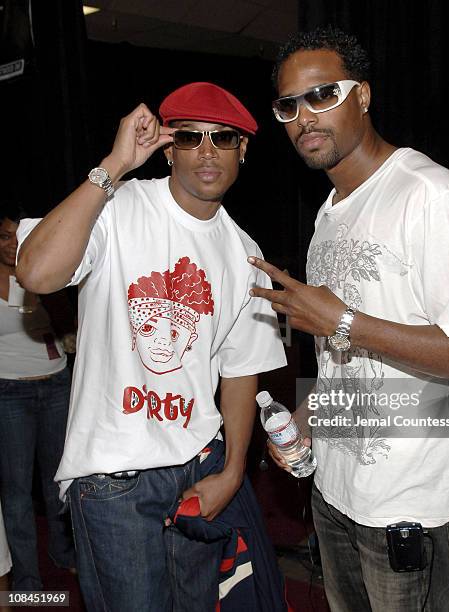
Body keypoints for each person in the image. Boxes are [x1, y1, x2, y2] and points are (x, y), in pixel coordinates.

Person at [249, 26, 449, 612]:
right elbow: (350, 362)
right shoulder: (329, 213)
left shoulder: (432, 195)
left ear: (362, 96)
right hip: (336, 494)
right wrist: (310, 414)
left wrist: (343, 319)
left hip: (410, 504)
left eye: (322, 95)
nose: (304, 117)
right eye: (288, 105)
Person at [16, 82, 287, 611]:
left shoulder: (245, 251)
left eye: (223, 138)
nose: (207, 150)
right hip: (115, 477)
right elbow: (36, 271)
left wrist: (232, 473)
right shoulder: (116, 207)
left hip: (199, 466)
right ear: (168, 149)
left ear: (244, 150)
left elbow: (240, 370)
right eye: (190, 137)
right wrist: (113, 165)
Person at [0, 204, 75, 591]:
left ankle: (62, 553)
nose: (12, 242)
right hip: (9, 391)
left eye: (17, 233)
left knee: (56, 481)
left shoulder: (42, 270)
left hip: (55, 383)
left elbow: (68, 322)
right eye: (4, 237)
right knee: (15, 491)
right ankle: (27, 578)